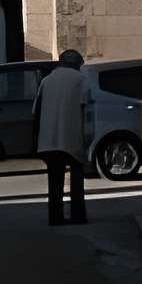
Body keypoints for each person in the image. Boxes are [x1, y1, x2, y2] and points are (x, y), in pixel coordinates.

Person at [34, 48, 91, 226]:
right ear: (77, 64)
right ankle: (78, 215)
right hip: (72, 138)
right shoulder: (81, 79)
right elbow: (86, 108)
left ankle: (55, 217)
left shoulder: (46, 80)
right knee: (76, 178)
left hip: (48, 140)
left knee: (54, 181)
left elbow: (36, 111)